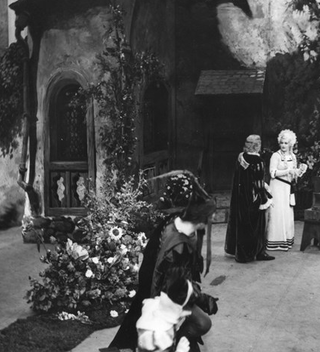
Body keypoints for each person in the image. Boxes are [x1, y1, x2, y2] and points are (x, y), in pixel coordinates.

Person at [109, 171, 218, 352]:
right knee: (201, 323)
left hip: (167, 293)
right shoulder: (176, 241)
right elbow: (173, 283)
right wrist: (201, 298)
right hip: (162, 298)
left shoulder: (178, 227)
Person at [224, 134, 274, 263]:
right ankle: (256, 252)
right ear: (257, 146)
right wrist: (264, 198)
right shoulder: (258, 161)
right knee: (257, 225)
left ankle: (242, 253)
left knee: (243, 224)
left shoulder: (241, 157)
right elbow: (257, 183)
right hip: (253, 198)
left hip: (241, 198)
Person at [266, 129, 307, 251]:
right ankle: (275, 241)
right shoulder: (275, 156)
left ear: (291, 144)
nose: (283, 145)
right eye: (282, 143)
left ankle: (287, 240)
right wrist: (288, 171)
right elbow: (272, 173)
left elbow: (294, 176)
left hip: (287, 188)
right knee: (277, 213)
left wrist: (300, 171)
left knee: (287, 213)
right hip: (277, 187)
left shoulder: (293, 157)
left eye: (286, 143)